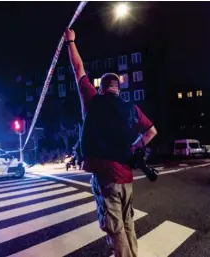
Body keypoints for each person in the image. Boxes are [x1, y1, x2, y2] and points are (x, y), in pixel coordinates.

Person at [65, 28, 158, 257]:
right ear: (118, 88)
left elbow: (78, 69)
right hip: (127, 178)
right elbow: (152, 131)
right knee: (127, 224)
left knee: (115, 229)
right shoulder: (131, 109)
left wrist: (71, 42)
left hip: (107, 177)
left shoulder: (93, 101)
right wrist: (136, 146)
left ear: (101, 87)